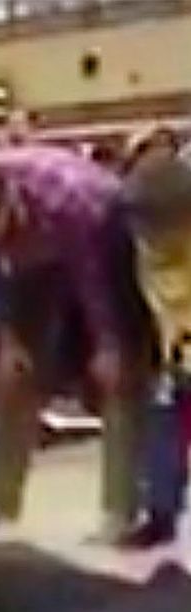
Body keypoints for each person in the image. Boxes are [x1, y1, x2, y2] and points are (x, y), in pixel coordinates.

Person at [0, 144, 155, 541]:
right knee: (13, 372)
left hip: (101, 237)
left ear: (1, 209)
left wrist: (107, 342)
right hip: (32, 252)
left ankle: (119, 507)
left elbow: (95, 280)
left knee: (120, 373)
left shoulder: (73, 204)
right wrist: (9, 335)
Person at [121, 156, 191, 547]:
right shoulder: (144, 248)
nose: (150, 235)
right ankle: (161, 514)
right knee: (163, 431)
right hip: (175, 353)